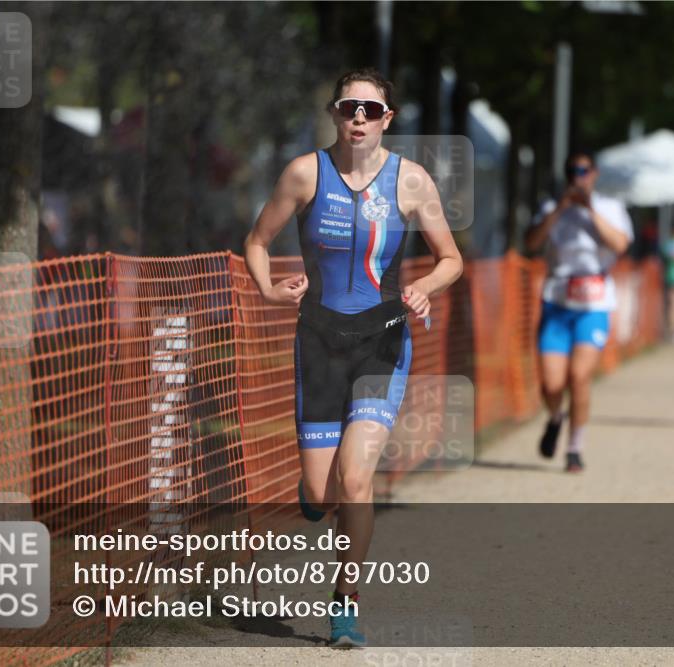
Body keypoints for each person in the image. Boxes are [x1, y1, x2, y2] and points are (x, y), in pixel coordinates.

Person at [244, 68, 462, 647]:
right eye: (349, 108)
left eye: (371, 110)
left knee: (356, 477)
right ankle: (314, 498)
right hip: (317, 342)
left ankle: (346, 602)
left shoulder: (411, 182)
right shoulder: (303, 174)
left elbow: (451, 259)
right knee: (321, 494)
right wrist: (268, 289)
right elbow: (257, 241)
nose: (359, 118)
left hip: (381, 342)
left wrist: (426, 288)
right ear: (334, 114)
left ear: (388, 119)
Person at [525, 151, 633, 472]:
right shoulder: (551, 207)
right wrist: (560, 208)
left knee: (579, 377)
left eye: (584, 170)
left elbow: (620, 245)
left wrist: (589, 210)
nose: (578, 176)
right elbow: (531, 243)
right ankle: (556, 417)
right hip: (557, 301)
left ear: (594, 173)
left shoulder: (611, 208)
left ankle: (575, 448)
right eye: (572, 171)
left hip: (594, 304)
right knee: (551, 384)